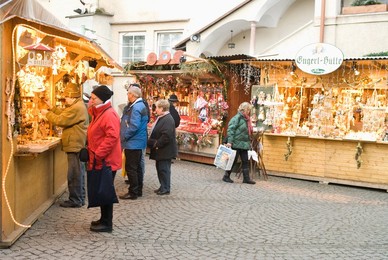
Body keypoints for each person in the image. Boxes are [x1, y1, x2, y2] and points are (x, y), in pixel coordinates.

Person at [41, 83, 88, 208]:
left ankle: (75, 200)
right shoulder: (77, 105)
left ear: (72, 96)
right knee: (78, 172)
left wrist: (47, 113)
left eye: (66, 97)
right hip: (76, 143)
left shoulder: (76, 107)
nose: (64, 99)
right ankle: (80, 198)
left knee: (74, 173)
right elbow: (64, 114)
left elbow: (61, 120)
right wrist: (52, 107)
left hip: (75, 144)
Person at [87, 85, 121, 232]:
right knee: (102, 190)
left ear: (102, 99)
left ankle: (107, 223)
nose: (91, 100)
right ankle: (103, 219)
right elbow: (90, 108)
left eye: (94, 98)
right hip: (100, 159)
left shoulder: (109, 114)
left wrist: (98, 153)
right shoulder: (99, 112)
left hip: (106, 160)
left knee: (106, 191)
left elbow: (112, 137)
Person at [120, 86, 149, 200]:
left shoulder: (136, 107)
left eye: (128, 94)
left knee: (131, 168)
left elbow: (134, 126)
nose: (127, 95)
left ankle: (133, 192)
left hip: (133, 142)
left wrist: (124, 136)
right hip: (137, 142)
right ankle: (138, 190)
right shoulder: (140, 105)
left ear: (133, 95)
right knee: (136, 168)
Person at [147, 99, 178, 195]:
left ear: (162, 108)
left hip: (165, 150)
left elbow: (166, 136)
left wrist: (157, 144)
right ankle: (162, 186)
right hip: (161, 150)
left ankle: (165, 188)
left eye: (157, 107)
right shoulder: (163, 117)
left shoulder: (168, 119)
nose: (155, 110)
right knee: (160, 168)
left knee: (164, 169)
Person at [223, 102, 256, 185]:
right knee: (233, 160)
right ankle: (226, 176)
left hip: (244, 143)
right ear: (244, 109)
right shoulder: (237, 118)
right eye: (248, 109)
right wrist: (230, 142)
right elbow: (231, 130)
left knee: (245, 161)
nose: (249, 111)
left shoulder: (246, 119)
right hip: (236, 143)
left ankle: (246, 178)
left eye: (249, 110)